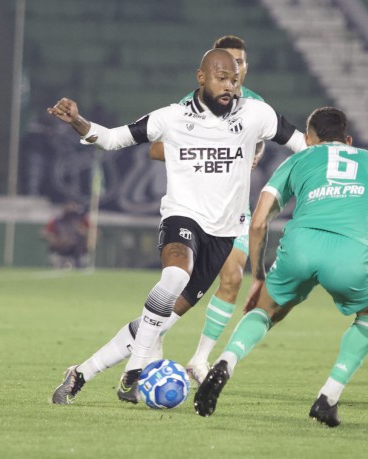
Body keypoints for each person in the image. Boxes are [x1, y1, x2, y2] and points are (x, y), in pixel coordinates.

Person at [48, 48, 308, 405]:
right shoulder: (171, 117)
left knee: (156, 323)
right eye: (221, 78)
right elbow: (111, 139)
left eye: (234, 80)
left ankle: (81, 373)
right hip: (182, 217)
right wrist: (78, 121)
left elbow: (303, 145)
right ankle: (135, 371)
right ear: (201, 77)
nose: (229, 86)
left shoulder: (255, 114)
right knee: (174, 276)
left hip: (223, 234)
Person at [193, 107, 368, 427]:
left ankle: (225, 362)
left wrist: (259, 277)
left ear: (309, 140)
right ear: (348, 140)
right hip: (351, 256)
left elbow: (258, 223)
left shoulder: (298, 159)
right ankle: (328, 397)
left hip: (300, 246)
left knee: (266, 309)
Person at [149, 35, 266, 384]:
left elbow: (263, 142)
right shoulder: (192, 103)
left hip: (235, 211)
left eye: (240, 62)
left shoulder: (256, 105)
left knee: (233, 278)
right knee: (182, 281)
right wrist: (206, 148)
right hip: (195, 209)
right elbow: (156, 148)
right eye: (227, 62)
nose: (234, 68)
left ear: (245, 68)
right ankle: (153, 332)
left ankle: (200, 360)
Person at [40, 201, 89, 269]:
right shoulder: (57, 220)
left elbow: (93, 233)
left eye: (73, 205)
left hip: (78, 252)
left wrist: (84, 233)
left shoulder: (82, 219)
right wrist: (55, 239)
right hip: (60, 251)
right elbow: (46, 232)